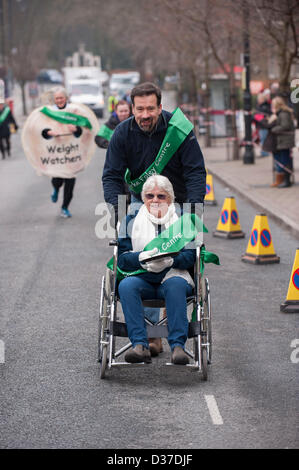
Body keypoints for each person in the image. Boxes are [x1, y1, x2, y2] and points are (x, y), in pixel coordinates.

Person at [102, 82, 206, 356]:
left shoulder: (179, 131)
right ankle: (149, 336)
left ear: (160, 107)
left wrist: (193, 214)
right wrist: (120, 213)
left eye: (151, 108)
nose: (145, 114)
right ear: (131, 109)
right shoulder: (123, 133)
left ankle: (175, 329)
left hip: (178, 201)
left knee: (178, 262)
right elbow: (112, 176)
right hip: (140, 201)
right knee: (141, 258)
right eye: (140, 109)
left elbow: (196, 172)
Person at [117, 175, 195, 365]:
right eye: (150, 195)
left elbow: (191, 257)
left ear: (170, 198)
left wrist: (170, 260)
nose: (155, 200)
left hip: (172, 275)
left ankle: (177, 347)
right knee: (126, 286)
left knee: (175, 286)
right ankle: (139, 345)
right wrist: (140, 258)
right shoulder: (130, 221)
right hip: (142, 276)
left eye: (161, 196)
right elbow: (122, 259)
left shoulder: (183, 221)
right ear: (143, 198)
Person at [46, 87, 78, 217]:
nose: (59, 100)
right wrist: (49, 132)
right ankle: (55, 188)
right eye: (57, 98)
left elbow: (83, 130)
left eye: (61, 98)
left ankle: (65, 207)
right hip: (56, 152)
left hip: (72, 152)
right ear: (54, 100)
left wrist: (76, 129)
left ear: (66, 98)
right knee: (57, 179)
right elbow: (42, 129)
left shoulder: (73, 111)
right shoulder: (50, 112)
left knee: (70, 183)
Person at [263, 96, 295, 188]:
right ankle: (282, 180)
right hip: (282, 140)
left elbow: (285, 126)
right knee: (281, 160)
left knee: (284, 160)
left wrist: (274, 129)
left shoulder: (283, 113)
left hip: (285, 140)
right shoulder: (280, 113)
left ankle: (286, 181)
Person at [254, 91, 271, 157]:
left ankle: (264, 152)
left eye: (259, 99)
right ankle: (264, 152)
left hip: (263, 126)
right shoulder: (263, 106)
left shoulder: (264, 107)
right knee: (262, 139)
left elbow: (262, 116)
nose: (258, 100)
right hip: (261, 126)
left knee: (263, 140)